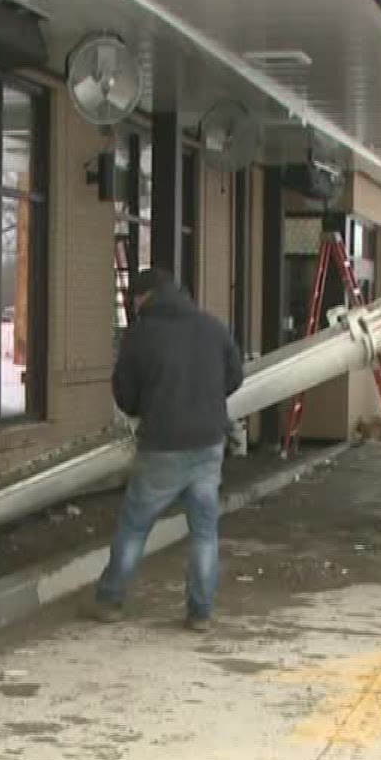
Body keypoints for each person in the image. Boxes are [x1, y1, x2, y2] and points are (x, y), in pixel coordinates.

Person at [86, 269, 244, 632]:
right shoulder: (212, 327)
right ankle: (200, 612)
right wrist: (206, 401)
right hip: (208, 444)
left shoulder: (140, 335)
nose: (134, 306)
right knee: (204, 531)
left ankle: (110, 600)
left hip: (162, 446)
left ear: (146, 297)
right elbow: (234, 376)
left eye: (136, 299)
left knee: (135, 526)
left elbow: (125, 395)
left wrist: (150, 405)